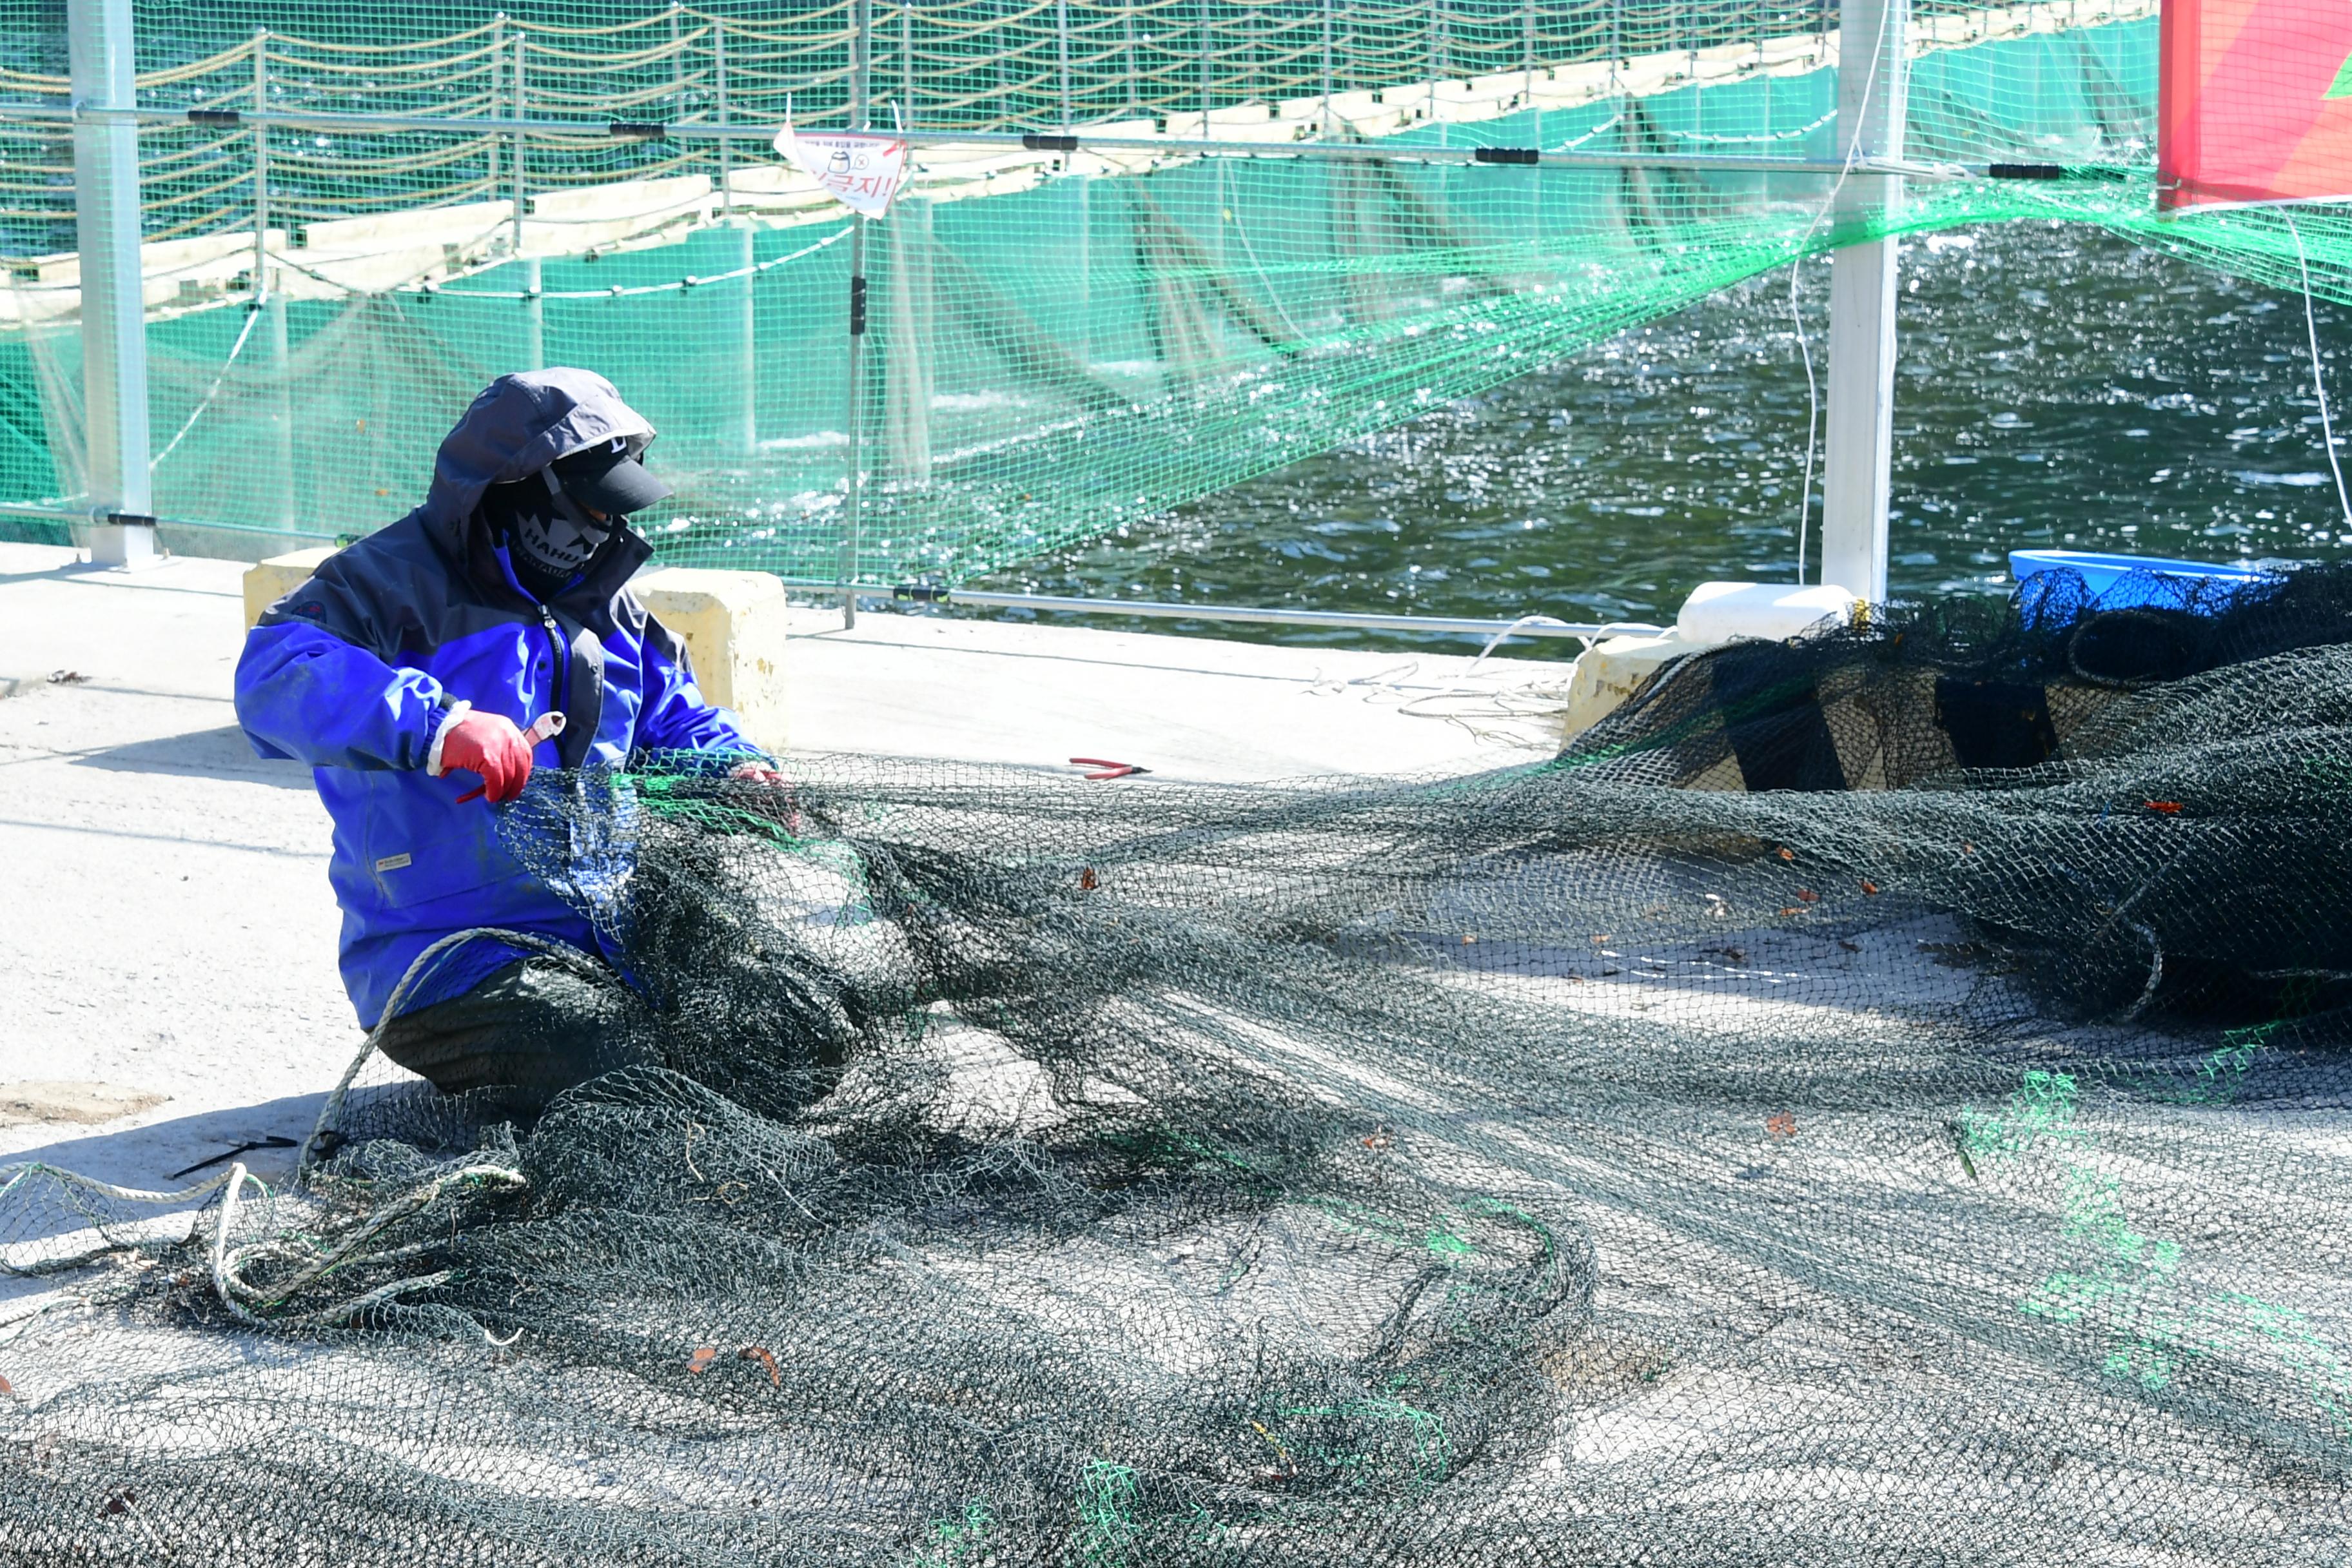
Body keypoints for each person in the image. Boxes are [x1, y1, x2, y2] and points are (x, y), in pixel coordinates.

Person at [236, 368, 777, 1113]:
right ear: (516, 487)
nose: (605, 530)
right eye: (589, 507)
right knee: (615, 1072)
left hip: (602, 935)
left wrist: (734, 765)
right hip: (444, 963)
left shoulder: (606, 598)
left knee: (784, 1033)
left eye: (616, 511)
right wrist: (443, 726)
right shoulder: (386, 582)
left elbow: (672, 717)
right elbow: (274, 673)